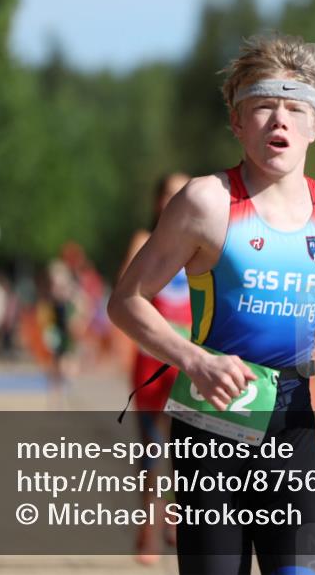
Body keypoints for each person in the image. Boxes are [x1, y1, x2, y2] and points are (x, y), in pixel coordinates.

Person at [108, 33, 315, 575]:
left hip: (293, 421)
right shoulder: (204, 202)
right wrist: (193, 359)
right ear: (237, 123)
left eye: (295, 109)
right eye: (263, 107)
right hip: (211, 417)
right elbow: (126, 301)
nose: (279, 121)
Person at [117, 171, 191, 564]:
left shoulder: (202, 242)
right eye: (169, 194)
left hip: (190, 360)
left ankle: (174, 521)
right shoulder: (141, 241)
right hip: (151, 359)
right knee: (153, 449)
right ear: (157, 201)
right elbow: (125, 296)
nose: (176, 199)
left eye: (183, 193)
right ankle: (147, 527)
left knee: (186, 448)